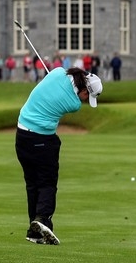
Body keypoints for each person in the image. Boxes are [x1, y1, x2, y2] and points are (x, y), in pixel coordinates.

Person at [15, 66, 103, 246]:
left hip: (21, 135)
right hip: (40, 138)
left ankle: (36, 230)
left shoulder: (57, 71)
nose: (85, 101)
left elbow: (58, 79)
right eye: (88, 96)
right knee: (47, 182)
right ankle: (42, 219)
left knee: (32, 184)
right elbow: (69, 95)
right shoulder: (74, 105)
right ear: (84, 90)